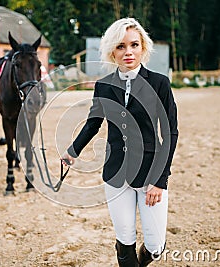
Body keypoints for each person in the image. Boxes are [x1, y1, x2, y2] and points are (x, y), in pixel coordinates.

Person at [62, 17, 178, 266]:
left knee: (156, 246)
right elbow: (93, 123)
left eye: (134, 45)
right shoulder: (103, 86)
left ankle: (147, 256)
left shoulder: (160, 83)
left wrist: (160, 180)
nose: (128, 52)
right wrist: (73, 151)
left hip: (150, 174)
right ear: (112, 51)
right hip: (116, 173)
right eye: (121, 46)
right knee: (124, 239)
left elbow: (170, 134)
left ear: (143, 48)